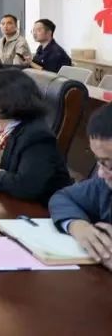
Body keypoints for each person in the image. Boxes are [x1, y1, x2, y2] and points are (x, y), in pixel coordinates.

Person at [0, 68, 72, 204]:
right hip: (6, 199)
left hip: (41, 209)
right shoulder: (1, 125)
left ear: (6, 103)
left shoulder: (37, 137)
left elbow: (27, 187)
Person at [49, 104, 112, 269]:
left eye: (109, 164)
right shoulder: (104, 184)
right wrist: (79, 226)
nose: (101, 173)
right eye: (100, 162)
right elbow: (63, 197)